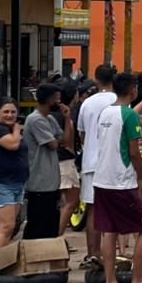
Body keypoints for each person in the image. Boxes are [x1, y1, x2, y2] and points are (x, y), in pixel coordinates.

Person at [91, 72, 142, 283]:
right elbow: (133, 151)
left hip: (101, 179)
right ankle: (137, 280)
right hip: (121, 181)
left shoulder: (105, 112)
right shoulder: (128, 115)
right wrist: (140, 178)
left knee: (109, 231)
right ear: (133, 90)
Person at [76, 64, 118, 268]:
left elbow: (82, 134)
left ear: (96, 79)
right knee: (112, 209)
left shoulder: (87, 103)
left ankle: (92, 253)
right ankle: (111, 255)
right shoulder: (119, 100)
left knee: (92, 208)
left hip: (91, 161)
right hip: (114, 162)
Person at [0, 98, 28, 250]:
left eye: (13, 112)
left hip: (17, 183)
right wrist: (17, 130)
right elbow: (13, 145)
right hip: (1, 186)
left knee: (11, 228)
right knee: (6, 227)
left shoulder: (9, 131)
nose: (10, 115)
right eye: (6, 112)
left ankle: (4, 264)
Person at [23, 83, 63, 240]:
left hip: (52, 181)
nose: (59, 102)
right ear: (49, 99)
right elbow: (53, 144)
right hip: (39, 181)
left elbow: (66, 140)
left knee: (51, 224)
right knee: (38, 225)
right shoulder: (35, 120)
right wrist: (57, 140)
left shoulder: (50, 119)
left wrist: (67, 118)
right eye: (57, 99)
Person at [53, 80, 81, 237]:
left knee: (63, 202)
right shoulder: (64, 116)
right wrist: (68, 120)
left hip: (56, 162)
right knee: (72, 201)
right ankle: (57, 236)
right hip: (64, 161)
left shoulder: (52, 114)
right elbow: (68, 142)